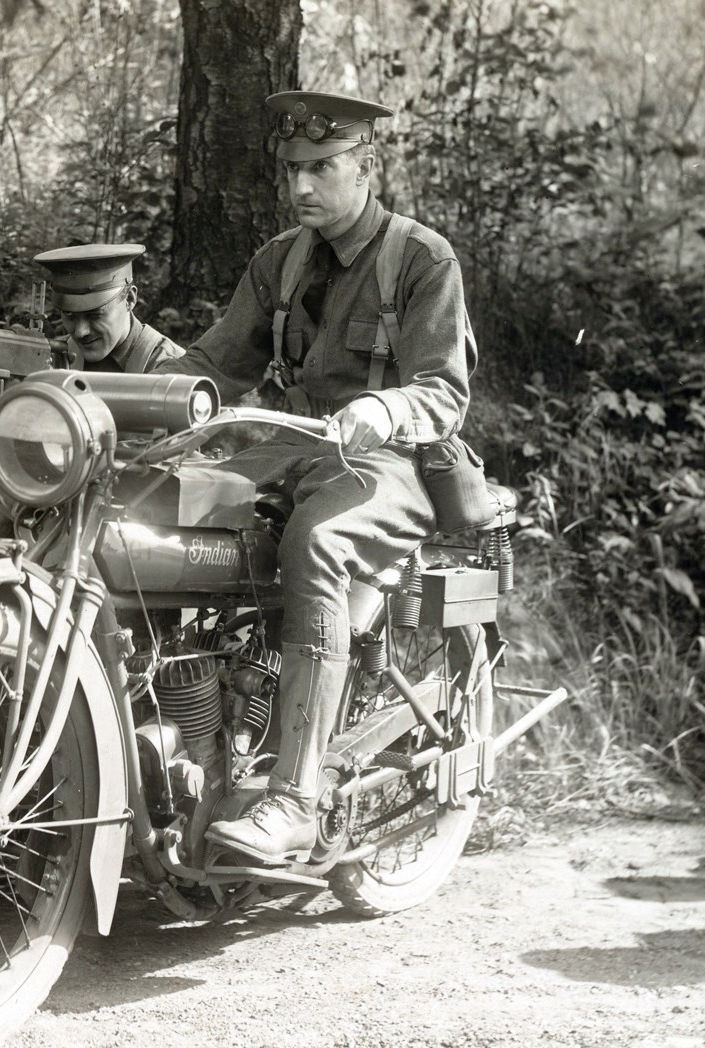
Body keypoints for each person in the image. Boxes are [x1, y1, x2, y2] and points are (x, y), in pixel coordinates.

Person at [153, 91, 478, 863]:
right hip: (292, 448)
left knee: (317, 542)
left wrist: (386, 408)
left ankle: (295, 798)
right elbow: (212, 367)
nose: (302, 186)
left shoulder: (421, 259)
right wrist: (132, 388)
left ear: (367, 165)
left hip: (388, 463)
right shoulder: (279, 262)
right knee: (156, 508)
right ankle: (196, 733)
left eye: (321, 167)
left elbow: (445, 391)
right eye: (292, 169)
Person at [32, 244, 184, 373]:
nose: (80, 332)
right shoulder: (51, 360)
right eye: (69, 314)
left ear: (129, 299)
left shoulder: (170, 368)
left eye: (94, 314)